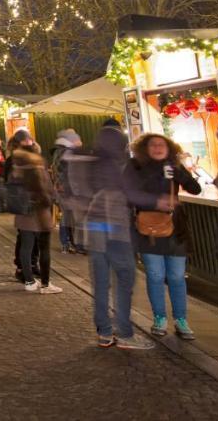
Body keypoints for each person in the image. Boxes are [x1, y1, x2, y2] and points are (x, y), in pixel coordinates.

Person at [122, 133, 201, 340]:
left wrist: (180, 174)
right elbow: (126, 194)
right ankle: (159, 318)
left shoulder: (173, 165)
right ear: (144, 149)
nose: (158, 148)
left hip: (176, 228)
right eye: (153, 145)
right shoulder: (135, 166)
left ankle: (181, 319)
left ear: (170, 148)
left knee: (176, 276)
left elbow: (195, 188)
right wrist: (155, 201)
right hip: (148, 229)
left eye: (162, 144)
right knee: (155, 275)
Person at [83, 124, 154, 349]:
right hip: (115, 228)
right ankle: (124, 332)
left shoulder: (92, 163)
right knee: (124, 279)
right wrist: (156, 201)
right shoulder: (120, 164)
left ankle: (104, 331)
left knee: (101, 283)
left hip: (94, 230)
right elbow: (130, 194)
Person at [11, 139, 62, 294]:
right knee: (44, 248)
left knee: (26, 247)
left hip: (22, 212)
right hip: (39, 212)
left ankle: (29, 281)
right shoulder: (37, 167)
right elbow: (45, 189)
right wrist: (51, 200)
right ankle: (45, 284)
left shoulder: (16, 167)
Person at [50, 129, 88, 254]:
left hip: (66, 190)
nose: (79, 141)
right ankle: (71, 243)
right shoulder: (66, 153)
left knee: (69, 217)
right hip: (68, 191)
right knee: (70, 217)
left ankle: (69, 243)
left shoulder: (59, 151)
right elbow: (67, 174)